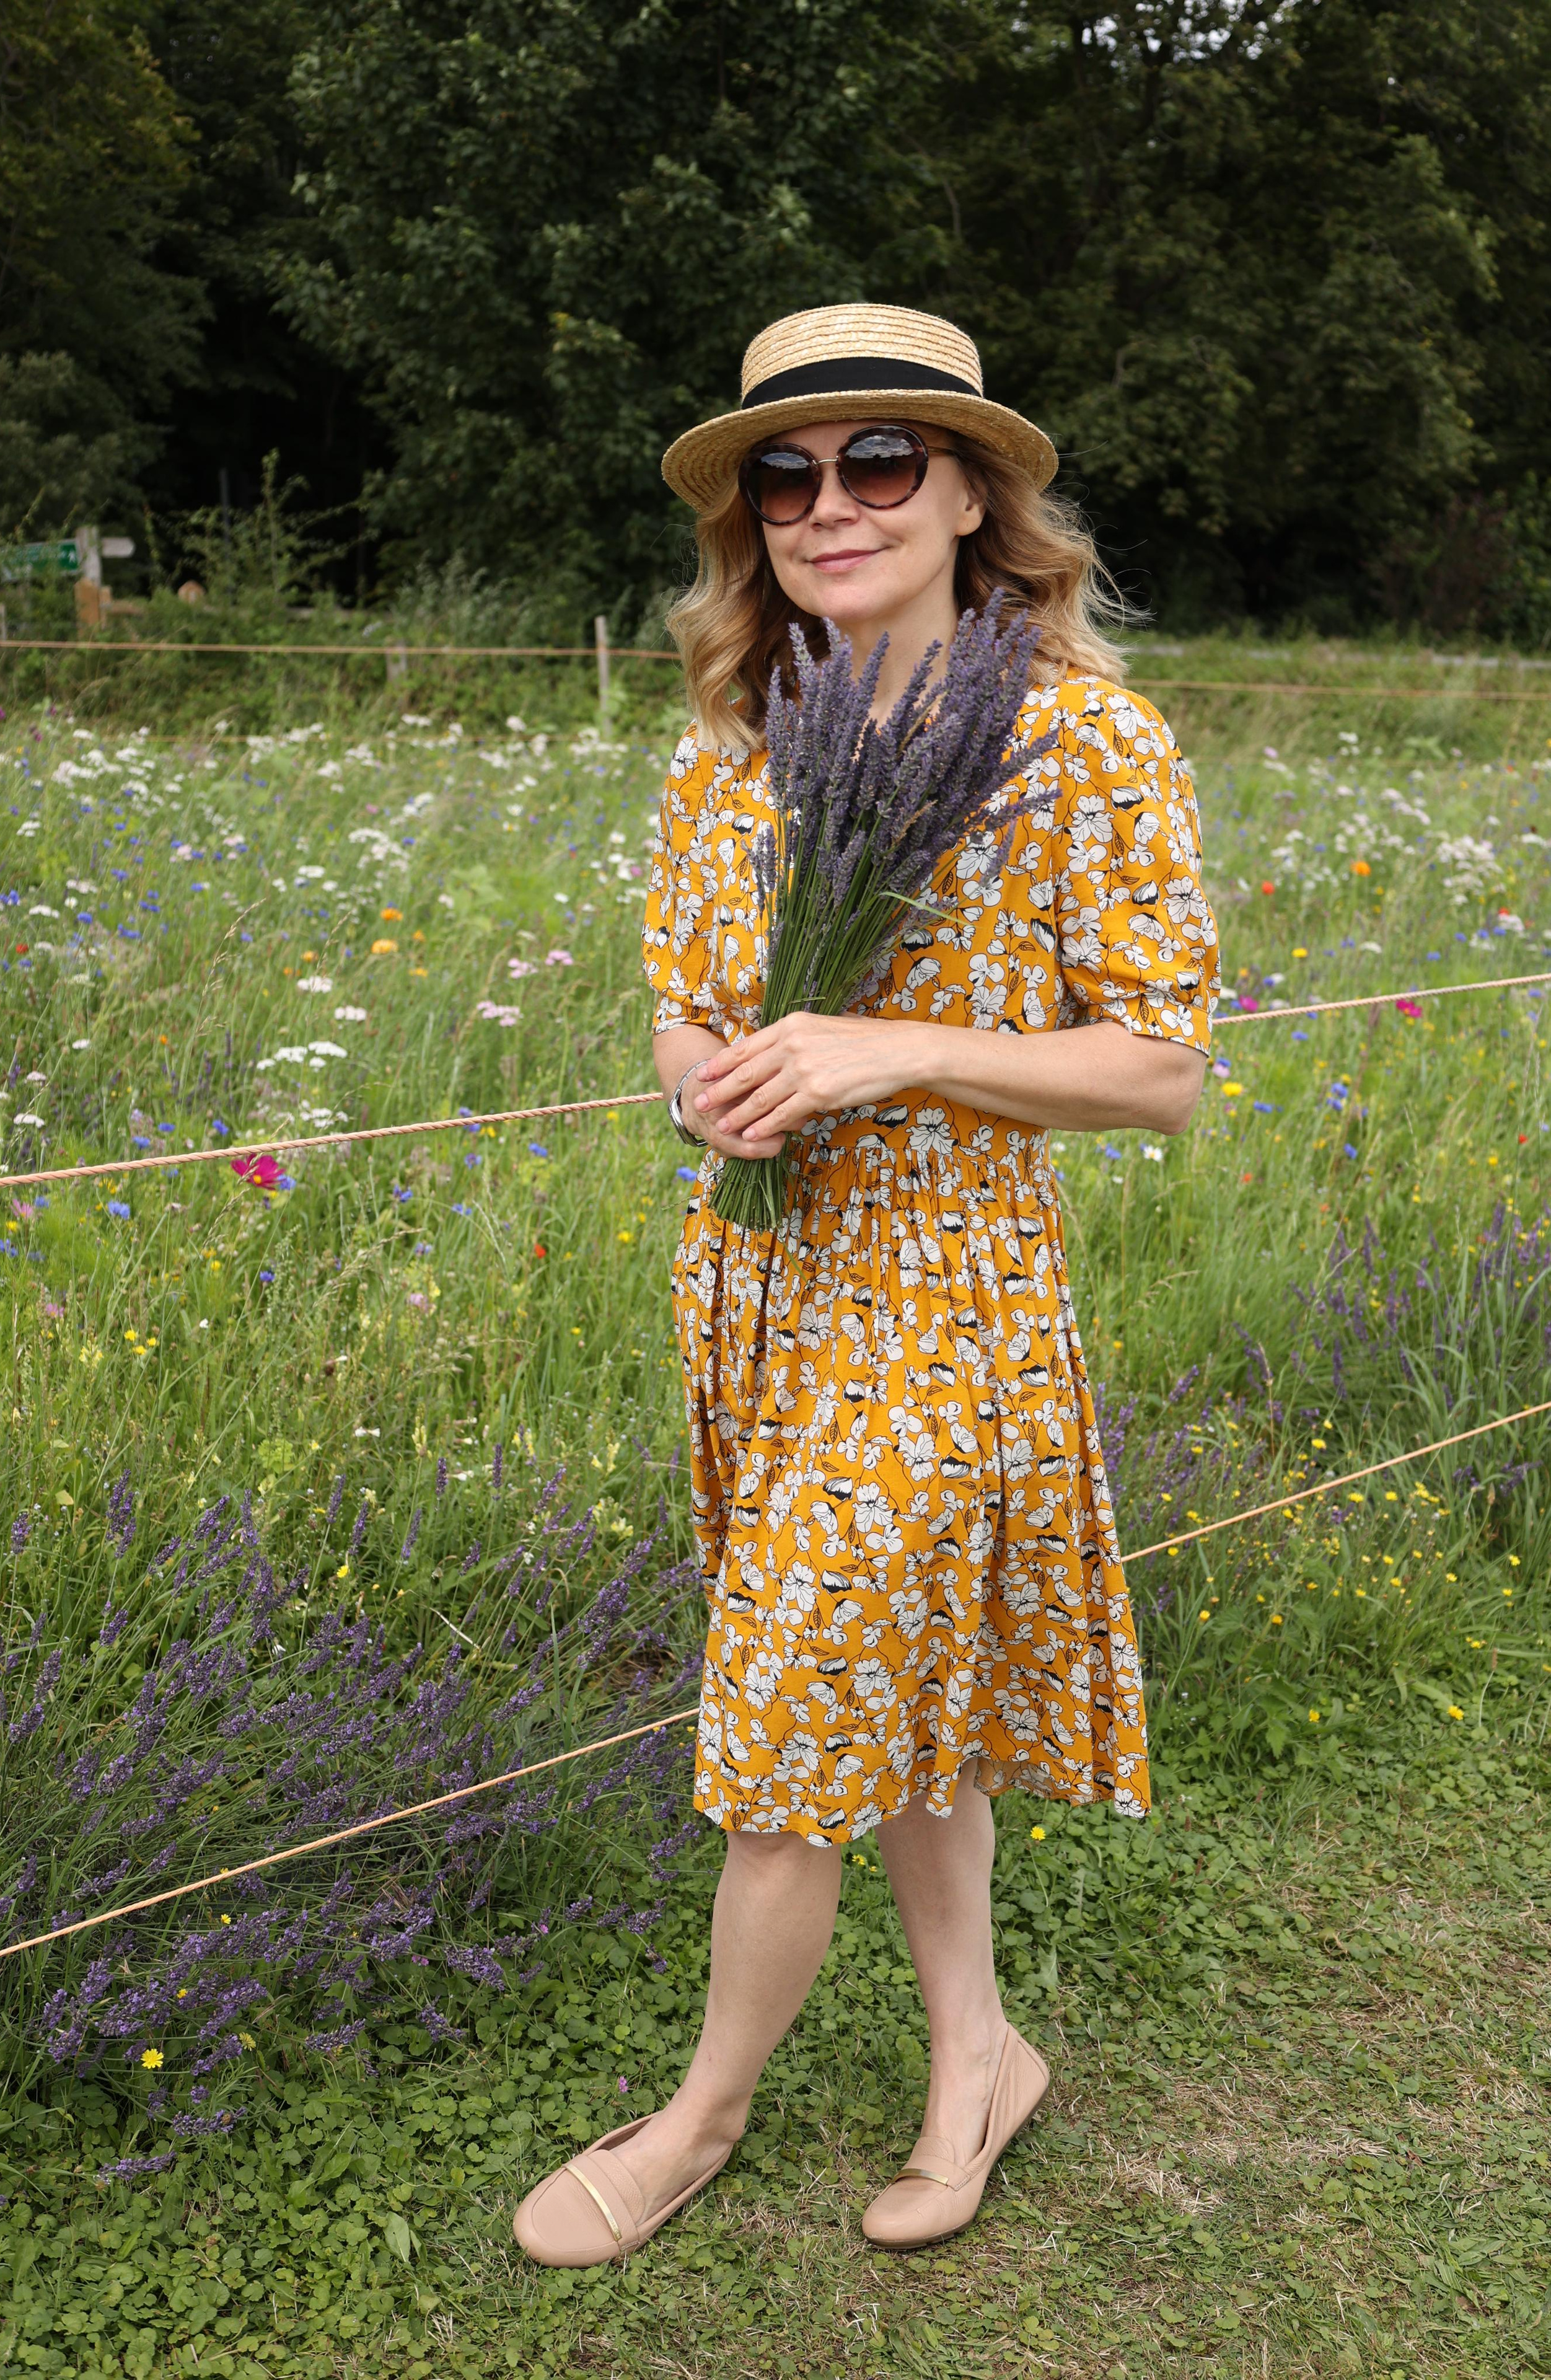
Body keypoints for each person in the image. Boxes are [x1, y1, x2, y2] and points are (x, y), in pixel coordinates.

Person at [514, 302, 1218, 2266]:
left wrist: (880, 1050)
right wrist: (719, 1083)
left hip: (947, 1294)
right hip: (753, 1286)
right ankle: (978, 2053)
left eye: (881, 461)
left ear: (977, 491)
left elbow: (1158, 1069)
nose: (831, 504)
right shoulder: (737, 742)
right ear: (754, 517)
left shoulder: (1089, 739)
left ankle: (697, 2116)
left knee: (795, 1724)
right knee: (882, 1697)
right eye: (787, 474)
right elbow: (678, 1007)